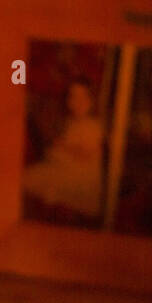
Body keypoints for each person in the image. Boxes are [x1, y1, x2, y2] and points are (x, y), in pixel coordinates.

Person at [23, 78, 106, 220]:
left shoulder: (94, 126)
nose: (77, 102)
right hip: (65, 167)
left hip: (80, 175)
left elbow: (86, 154)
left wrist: (62, 145)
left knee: (29, 179)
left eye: (83, 97)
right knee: (27, 176)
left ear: (91, 100)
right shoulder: (71, 122)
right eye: (73, 97)